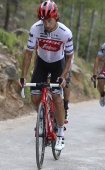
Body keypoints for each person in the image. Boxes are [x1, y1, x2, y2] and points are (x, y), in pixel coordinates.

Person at [18, 0, 74, 151]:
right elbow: (28, 53)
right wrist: (23, 76)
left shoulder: (65, 32)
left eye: (49, 21)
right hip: (41, 62)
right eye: (44, 21)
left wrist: (63, 76)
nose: (47, 25)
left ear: (56, 18)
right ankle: (43, 116)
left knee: (57, 98)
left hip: (58, 64)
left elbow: (69, 57)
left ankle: (61, 133)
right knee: (35, 98)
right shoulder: (35, 29)